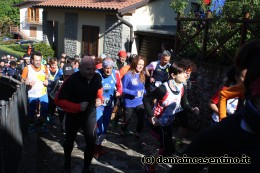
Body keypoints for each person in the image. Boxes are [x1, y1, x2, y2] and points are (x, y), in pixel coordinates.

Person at [169, 39, 260, 173]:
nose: (187, 75)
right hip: (220, 123)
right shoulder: (220, 134)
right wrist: (223, 118)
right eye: (185, 73)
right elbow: (215, 100)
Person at [143, 60, 199, 173]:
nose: (186, 75)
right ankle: (149, 165)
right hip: (157, 122)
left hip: (168, 122)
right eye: (183, 73)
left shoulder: (182, 87)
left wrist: (191, 109)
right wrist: (152, 116)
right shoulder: (163, 89)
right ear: (173, 75)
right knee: (167, 148)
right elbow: (146, 99)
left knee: (169, 150)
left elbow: (184, 103)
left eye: (186, 73)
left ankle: (150, 163)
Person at [54, 56, 103, 173]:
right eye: (88, 69)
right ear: (80, 68)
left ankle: (86, 167)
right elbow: (58, 100)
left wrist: (100, 98)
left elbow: (99, 89)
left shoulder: (96, 77)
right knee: (69, 141)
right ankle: (67, 162)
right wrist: (77, 106)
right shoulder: (71, 80)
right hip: (73, 115)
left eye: (93, 69)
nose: (91, 71)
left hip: (90, 114)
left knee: (91, 142)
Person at [94, 57, 122, 158]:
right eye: (106, 68)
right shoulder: (97, 74)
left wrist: (119, 92)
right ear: (103, 66)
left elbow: (120, 87)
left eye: (110, 68)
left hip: (109, 106)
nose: (108, 70)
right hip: (98, 106)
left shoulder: (116, 73)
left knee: (104, 129)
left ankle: (98, 145)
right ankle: (95, 148)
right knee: (99, 128)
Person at [21, 51, 49, 133]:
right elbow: (22, 80)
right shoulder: (27, 68)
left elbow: (47, 76)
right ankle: (31, 125)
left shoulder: (44, 67)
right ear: (32, 60)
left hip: (43, 92)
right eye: (36, 60)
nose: (38, 62)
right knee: (31, 111)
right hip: (32, 94)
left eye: (39, 60)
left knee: (45, 108)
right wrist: (28, 83)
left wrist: (46, 80)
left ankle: (42, 124)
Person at [121, 55, 147, 139]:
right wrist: (134, 93)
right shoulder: (128, 75)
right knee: (127, 120)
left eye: (142, 65)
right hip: (128, 101)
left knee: (141, 119)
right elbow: (122, 89)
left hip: (139, 101)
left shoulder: (142, 74)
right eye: (139, 64)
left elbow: (143, 86)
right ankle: (123, 130)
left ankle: (137, 134)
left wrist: (144, 91)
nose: (140, 66)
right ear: (135, 63)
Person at [50, 63, 74, 132]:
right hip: (61, 107)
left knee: (71, 125)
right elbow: (52, 93)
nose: (68, 77)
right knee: (63, 125)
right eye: (66, 75)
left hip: (72, 106)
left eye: (70, 75)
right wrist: (58, 101)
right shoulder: (58, 81)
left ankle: (69, 137)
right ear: (63, 74)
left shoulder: (76, 80)